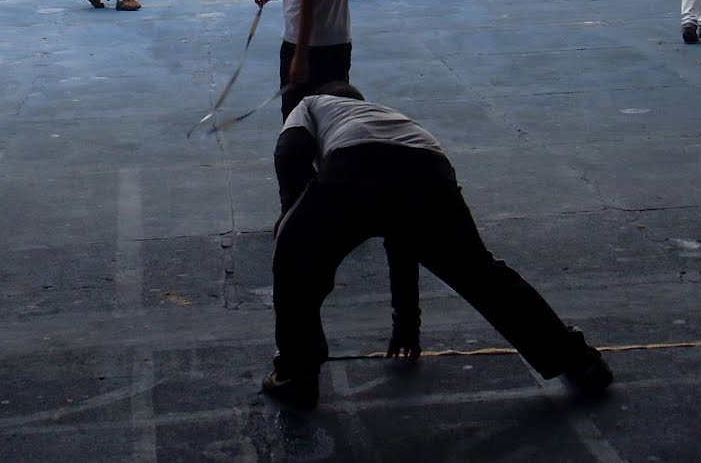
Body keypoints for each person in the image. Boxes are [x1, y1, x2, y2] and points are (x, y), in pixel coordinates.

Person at [261, 83, 612, 410]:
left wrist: (292, 209)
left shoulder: (311, 104)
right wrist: (406, 327)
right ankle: (577, 360)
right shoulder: (387, 115)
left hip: (354, 163)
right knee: (480, 274)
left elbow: (289, 149)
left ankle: (297, 373)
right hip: (427, 167)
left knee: (294, 259)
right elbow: (403, 239)